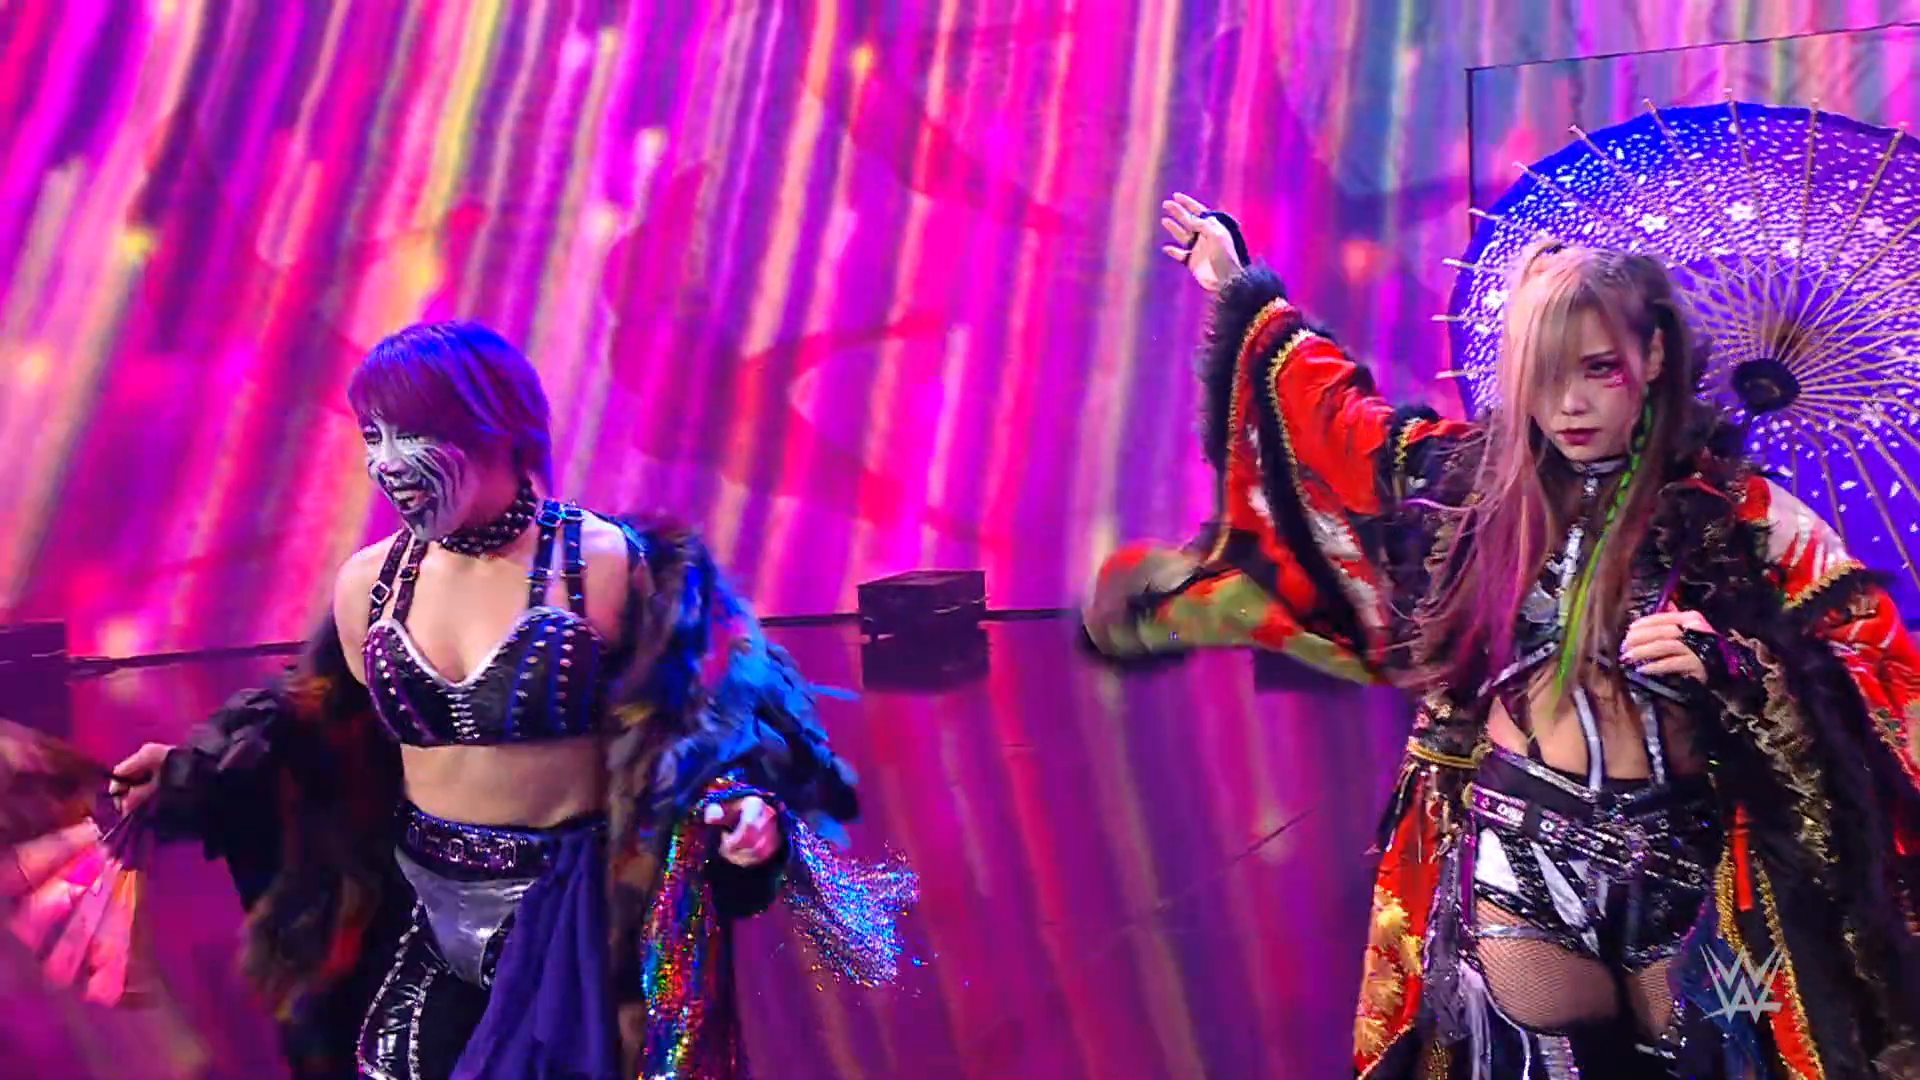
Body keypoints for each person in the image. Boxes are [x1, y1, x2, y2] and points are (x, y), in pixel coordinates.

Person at [1087, 194, 1920, 1078]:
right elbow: (1334, 419)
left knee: (1719, 1058)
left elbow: (1884, 673)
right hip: (1518, 847)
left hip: (1697, 865)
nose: (1568, 404)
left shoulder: (1749, 520)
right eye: (1542, 375)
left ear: (1653, 357)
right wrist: (1235, 283)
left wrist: (1741, 665)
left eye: (1598, 368)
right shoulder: (1473, 484)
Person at [91, 321, 914, 1080]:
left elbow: (701, 727)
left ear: (497, 426)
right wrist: (194, 768)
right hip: (422, 912)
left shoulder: (608, 564)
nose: (387, 462)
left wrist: (740, 808)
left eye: (414, 434)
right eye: (372, 435)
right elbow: (318, 732)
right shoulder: (366, 584)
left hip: (573, 921)